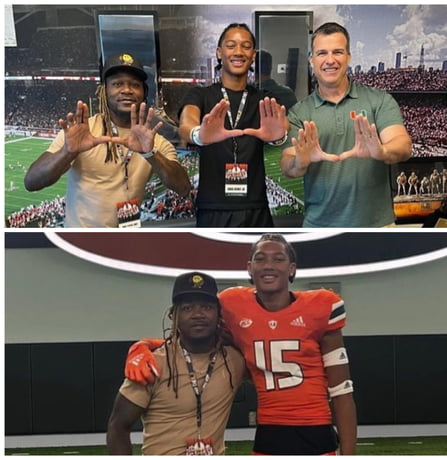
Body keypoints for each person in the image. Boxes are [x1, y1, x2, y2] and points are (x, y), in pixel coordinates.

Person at [125, 233, 357, 455]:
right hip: (269, 432)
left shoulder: (321, 306)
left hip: (316, 429)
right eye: (260, 258)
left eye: (278, 259)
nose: (268, 265)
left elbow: (342, 390)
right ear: (249, 268)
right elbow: (199, 339)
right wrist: (144, 345)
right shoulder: (232, 305)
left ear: (292, 269)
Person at [24, 52, 191, 227]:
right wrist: (68, 152)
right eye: (117, 84)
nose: (127, 90)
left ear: (144, 92)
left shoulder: (155, 141)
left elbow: (183, 188)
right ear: (104, 91)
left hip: (127, 243)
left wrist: (150, 154)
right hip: (82, 242)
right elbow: (32, 182)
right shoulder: (81, 132)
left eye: (135, 85)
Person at [281, 22, 413, 227]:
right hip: (319, 229)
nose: (330, 60)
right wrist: (300, 162)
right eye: (322, 53)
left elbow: (403, 145)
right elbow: (287, 165)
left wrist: (382, 151)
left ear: (349, 57)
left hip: (378, 227)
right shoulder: (300, 112)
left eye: (338, 52)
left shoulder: (379, 100)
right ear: (312, 60)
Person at [107, 271, 246, 455]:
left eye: (206, 307)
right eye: (187, 308)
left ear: (219, 314)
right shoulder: (153, 363)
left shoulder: (235, 360)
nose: (198, 314)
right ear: (174, 315)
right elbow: (118, 425)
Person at [178, 23, 289, 227]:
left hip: (256, 207)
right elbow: (186, 124)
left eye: (246, 46)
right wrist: (198, 135)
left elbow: (282, 128)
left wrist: (278, 137)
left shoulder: (265, 100)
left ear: (253, 55)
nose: (239, 52)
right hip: (212, 207)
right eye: (231, 45)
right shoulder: (200, 95)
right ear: (219, 53)